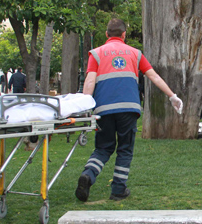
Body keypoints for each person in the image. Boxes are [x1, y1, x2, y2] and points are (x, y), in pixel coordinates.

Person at [75, 18, 183, 202]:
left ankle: (88, 175)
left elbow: (90, 80)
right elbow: (154, 76)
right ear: (124, 35)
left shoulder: (96, 53)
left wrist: (85, 105)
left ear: (107, 34)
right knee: (125, 149)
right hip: (129, 108)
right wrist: (172, 96)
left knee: (103, 147)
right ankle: (118, 190)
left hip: (103, 109)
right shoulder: (135, 53)